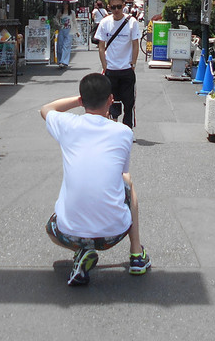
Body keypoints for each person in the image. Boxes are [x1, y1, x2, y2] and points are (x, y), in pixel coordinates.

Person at [41, 73, 152, 286]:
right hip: (113, 234)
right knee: (128, 181)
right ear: (111, 99)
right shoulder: (123, 132)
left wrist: (78, 100)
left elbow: (46, 109)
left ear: (82, 101)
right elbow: (122, 173)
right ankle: (137, 254)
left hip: (68, 233)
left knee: (51, 227)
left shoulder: (67, 124)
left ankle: (82, 251)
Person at [95, 0, 142, 127]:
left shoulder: (132, 22)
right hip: (111, 69)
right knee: (111, 102)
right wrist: (105, 66)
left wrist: (133, 63)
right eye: (113, 7)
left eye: (119, 7)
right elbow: (101, 46)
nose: (116, 10)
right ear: (109, 7)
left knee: (129, 103)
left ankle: (127, 130)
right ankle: (114, 128)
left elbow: (135, 44)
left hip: (126, 69)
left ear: (124, 6)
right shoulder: (104, 23)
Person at [57, 5, 74, 70]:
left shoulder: (72, 12)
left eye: (66, 4)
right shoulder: (59, 12)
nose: (65, 5)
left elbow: (74, 21)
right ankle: (60, 61)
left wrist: (76, 31)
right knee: (60, 46)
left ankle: (63, 62)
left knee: (66, 46)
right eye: (64, 3)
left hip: (69, 30)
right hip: (61, 29)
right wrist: (59, 17)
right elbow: (56, 19)